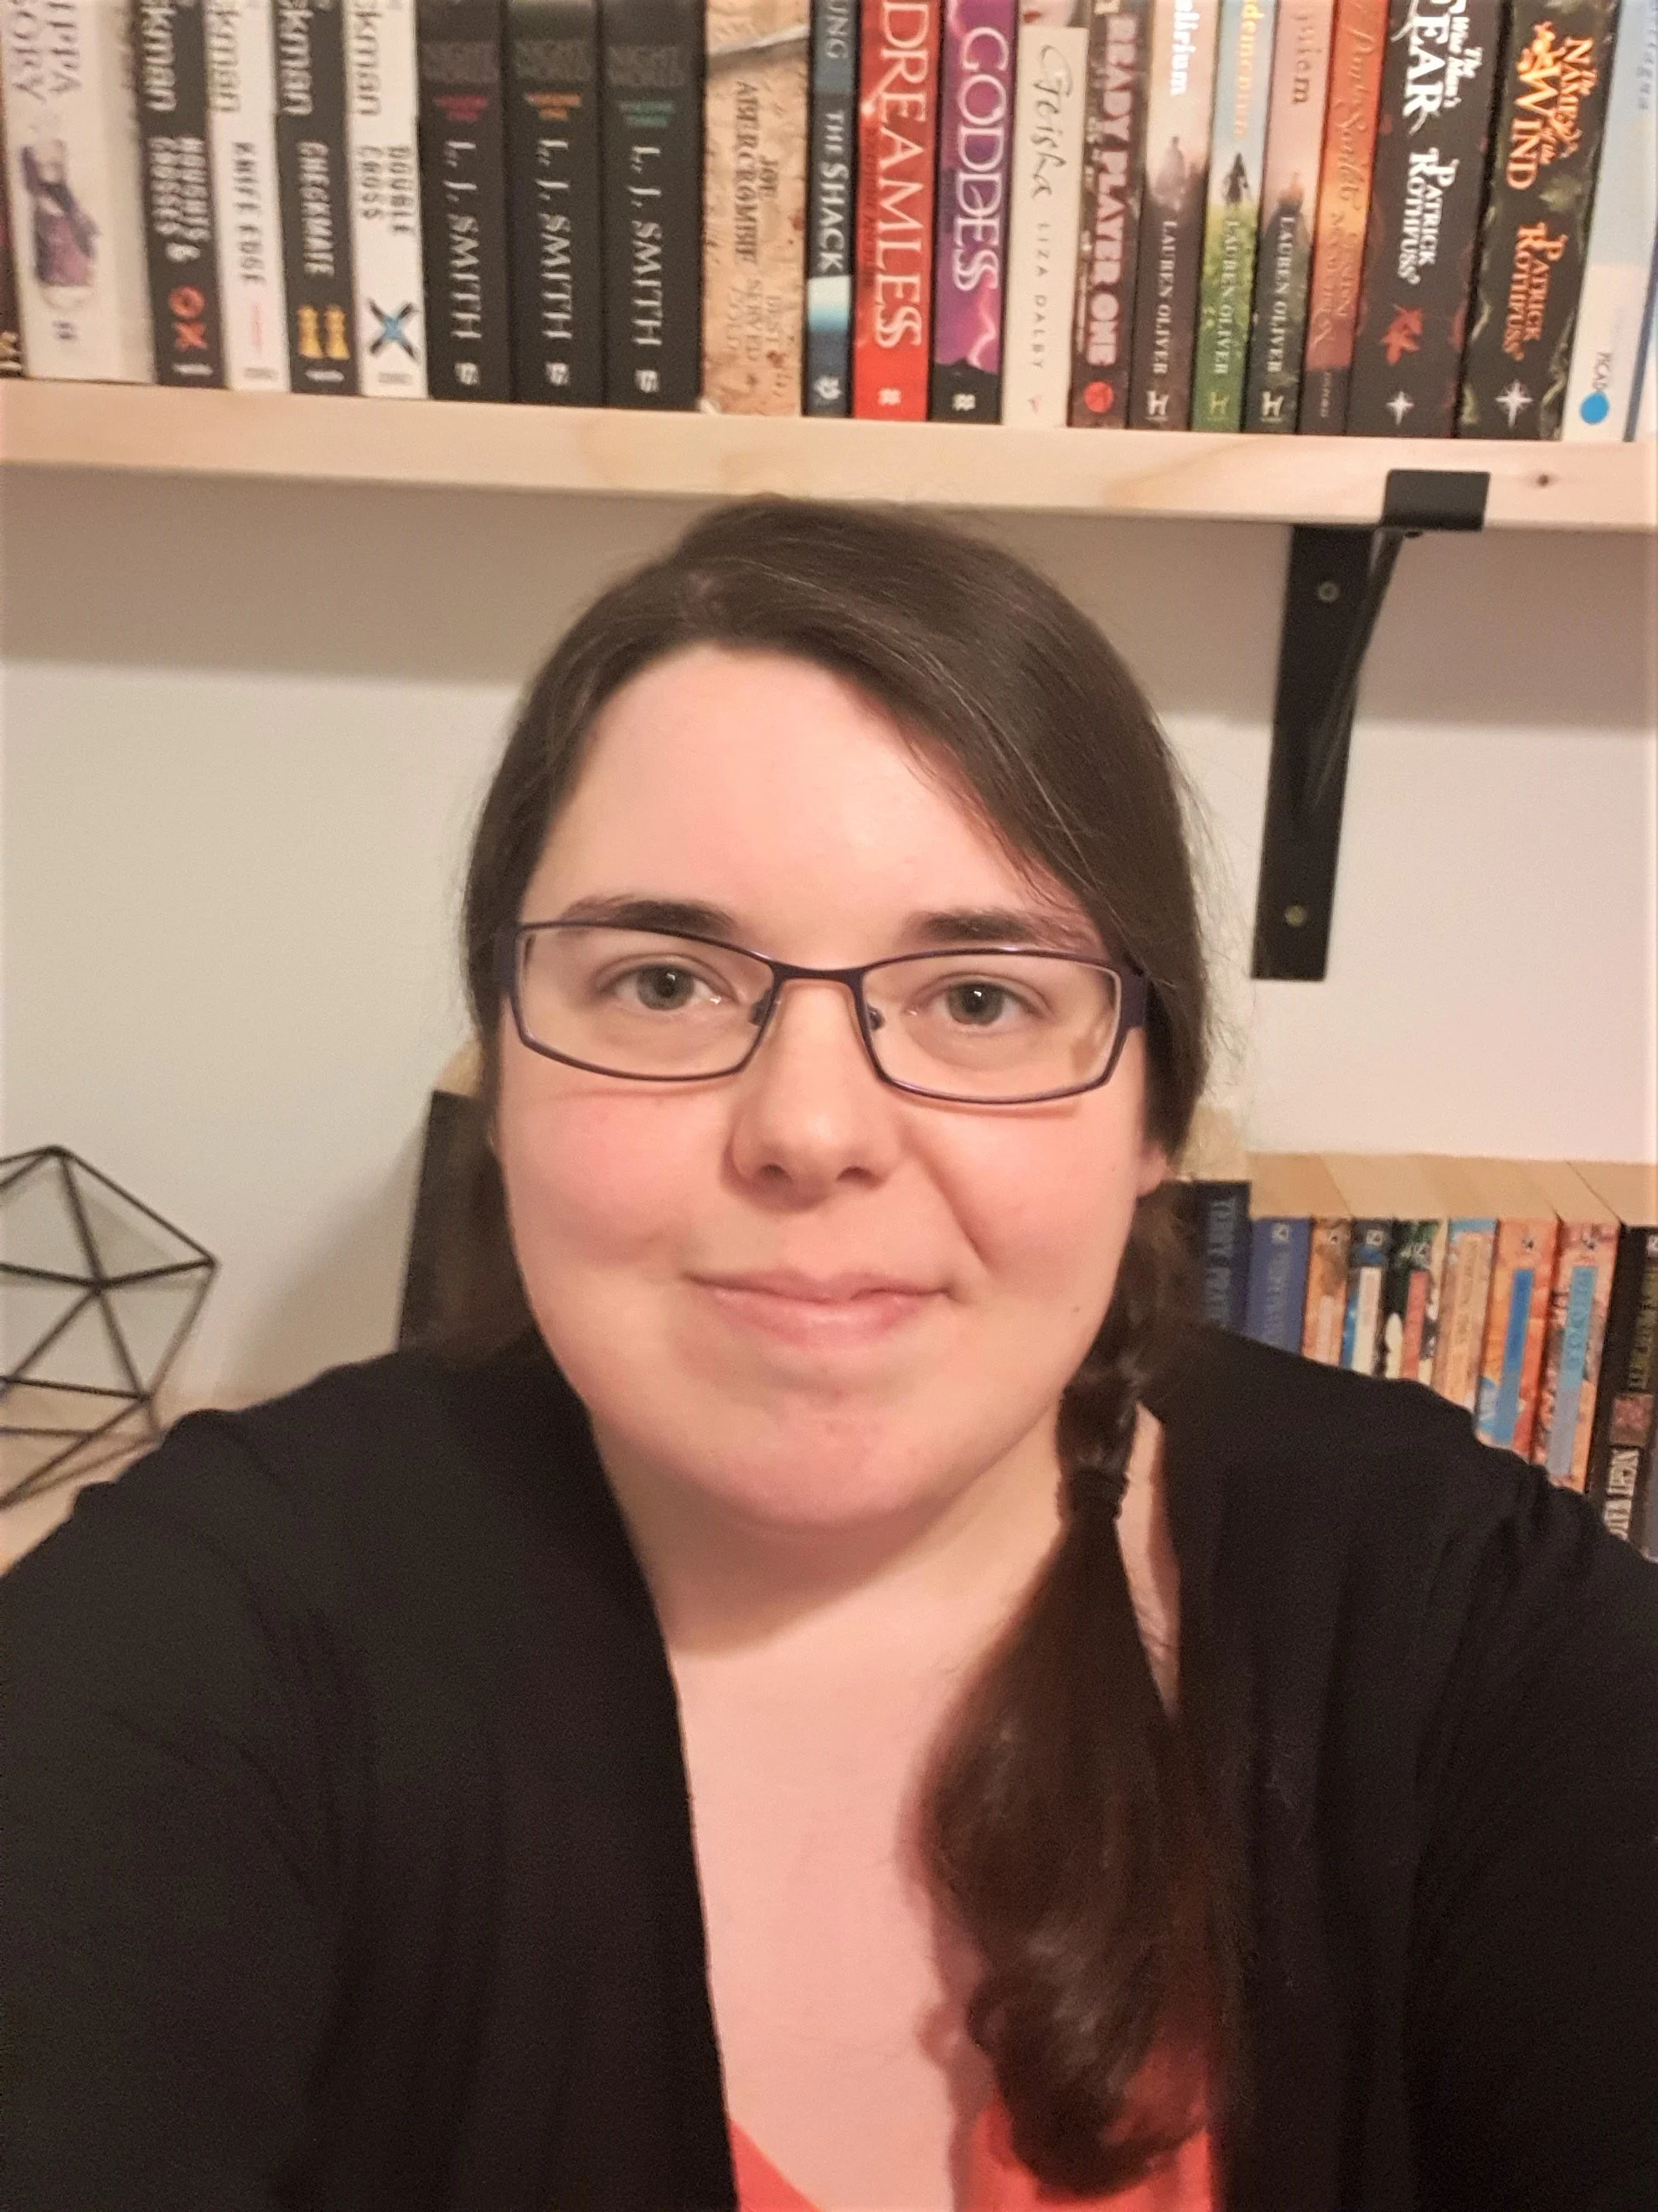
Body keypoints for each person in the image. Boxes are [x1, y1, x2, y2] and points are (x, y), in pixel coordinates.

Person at [3, 499, 1655, 2212]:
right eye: (663, 983)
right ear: (500, 1073)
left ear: (1155, 1119)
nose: (809, 1129)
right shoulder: (204, 1641)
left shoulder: (1448, 1617)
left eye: (978, 998)